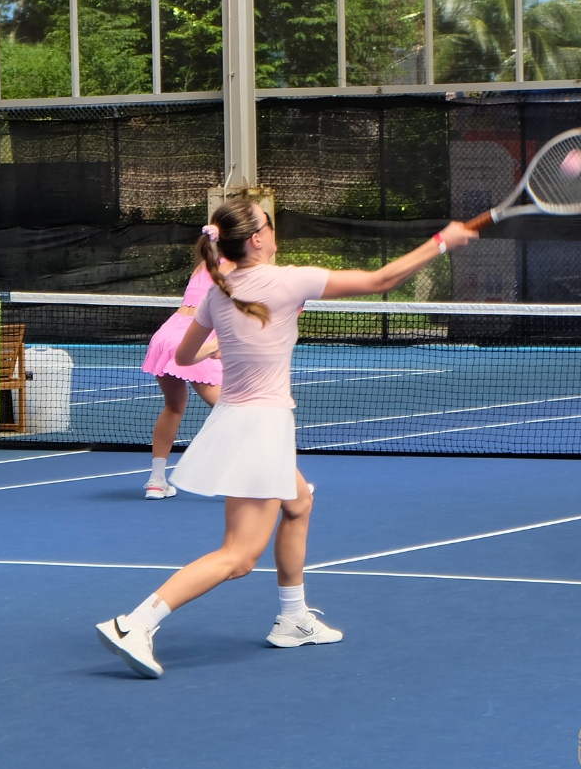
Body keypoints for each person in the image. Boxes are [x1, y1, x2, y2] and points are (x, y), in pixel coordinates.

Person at [96, 200, 478, 678]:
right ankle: (135, 623)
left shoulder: (218, 292)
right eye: (270, 223)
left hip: (238, 420)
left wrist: (225, 341)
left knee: (299, 503)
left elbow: (185, 356)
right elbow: (380, 280)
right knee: (238, 556)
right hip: (259, 427)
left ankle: (293, 619)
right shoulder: (288, 281)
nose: (276, 230)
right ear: (257, 238)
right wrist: (441, 242)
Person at [139, 246, 231, 500]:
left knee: (174, 406)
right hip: (196, 338)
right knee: (236, 411)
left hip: (166, 336)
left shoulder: (202, 265)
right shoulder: (238, 267)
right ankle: (280, 484)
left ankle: (156, 481)